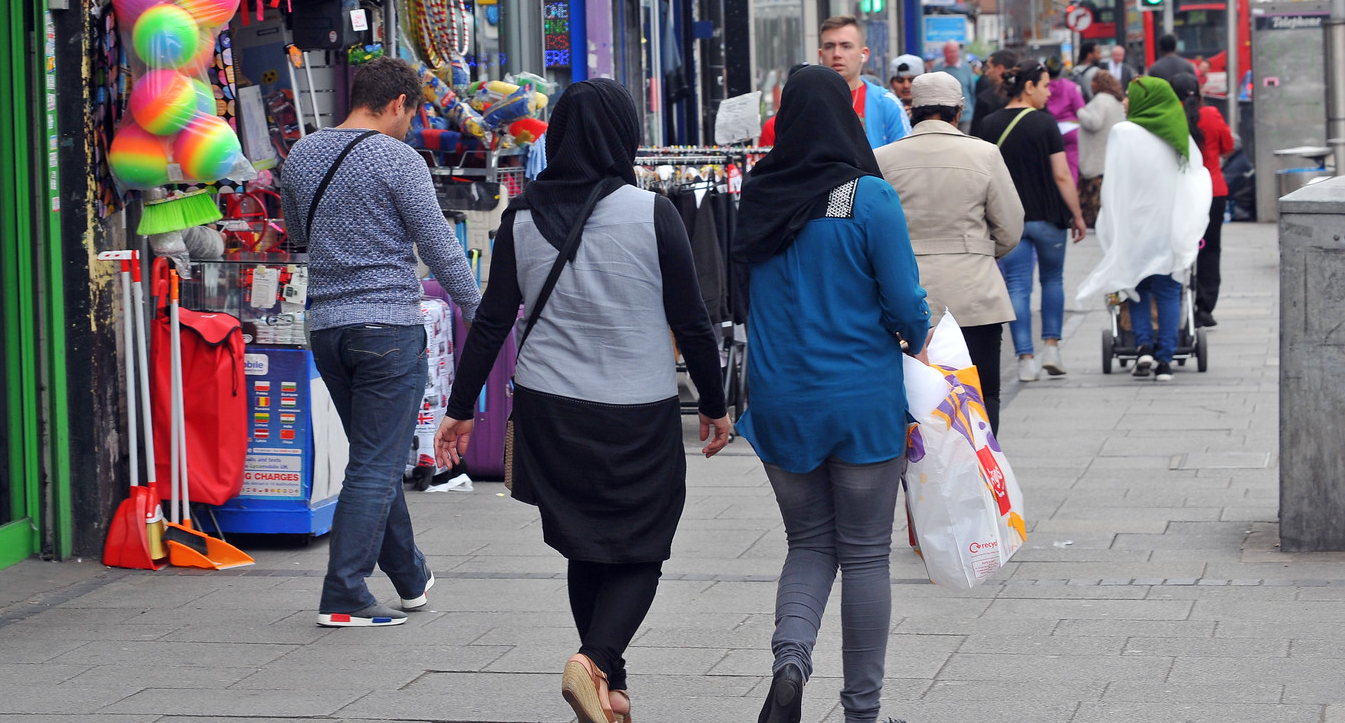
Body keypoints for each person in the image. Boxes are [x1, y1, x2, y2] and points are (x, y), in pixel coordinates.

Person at [434, 79, 731, 723]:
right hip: (636, 411)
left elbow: (491, 322)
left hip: (551, 411)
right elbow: (693, 319)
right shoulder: (652, 214)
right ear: (622, 136)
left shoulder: (520, 217)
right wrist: (714, 401)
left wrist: (460, 408)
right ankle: (594, 658)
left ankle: (610, 690)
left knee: (587, 543)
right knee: (644, 544)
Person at [732, 64, 930, 723]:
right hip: (861, 401)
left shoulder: (758, 195)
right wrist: (917, 329)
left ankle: (791, 658)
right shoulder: (866, 197)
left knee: (810, 543)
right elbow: (905, 303)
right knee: (866, 552)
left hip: (782, 401)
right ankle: (862, 712)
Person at [279, 57, 481, 627]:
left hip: (327, 330)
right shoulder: (399, 158)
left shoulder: (302, 153)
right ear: (397, 104)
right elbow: (439, 245)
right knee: (376, 465)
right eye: (410, 115)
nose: (409, 127)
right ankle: (344, 593)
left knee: (373, 456)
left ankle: (411, 578)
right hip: (388, 329)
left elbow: (298, 236)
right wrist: (478, 312)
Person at [876, 72, 1023, 434]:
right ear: (959, 111)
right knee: (982, 389)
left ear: (913, 110)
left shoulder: (882, 158)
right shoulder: (985, 154)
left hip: (907, 295)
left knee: (914, 393)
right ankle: (982, 467)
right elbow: (1010, 226)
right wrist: (979, 252)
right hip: (975, 293)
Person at [1077, 77, 1212, 381]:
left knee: (1135, 288)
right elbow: (1195, 181)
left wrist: (1109, 222)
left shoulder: (1124, 133)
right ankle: (1165, 360)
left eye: (1128, 96)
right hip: (1168, 227)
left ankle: (1143, 348)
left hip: (1135, 227)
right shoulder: (1179, 135)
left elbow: (1112, 184)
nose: (1124, 101)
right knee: (1168, 291)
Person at [972, 60, 1087, 383]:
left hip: (1010, 221)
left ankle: (1025, 358)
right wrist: (1077, 214)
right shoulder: (1046, 123)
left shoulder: (990, 125)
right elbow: (1062, 174)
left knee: (1017, 287)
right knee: (1052, 280)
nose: (1050, 93)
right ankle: (1052, 348)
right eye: (1046, 86)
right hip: (1049, 217)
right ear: (1029, 86)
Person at [1172, 74, 1236, 327]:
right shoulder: (1211, 114)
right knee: (1210, 250)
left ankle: (1177, 304)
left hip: (1182, 193)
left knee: (1179, 248)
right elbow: (1228, 145)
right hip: (1213, 192)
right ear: (1198, 93)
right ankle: (1205, 309)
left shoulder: (1170, 117)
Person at [817, 14, 910, 149]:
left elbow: (904, 160)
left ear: (864, 54)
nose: (837, 54)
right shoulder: (806, 103)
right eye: (829, 46)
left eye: (846, 46)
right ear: (821, 55)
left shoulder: (887, 104)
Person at [1076, 70, 1127, 228]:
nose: (1091, 85)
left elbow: (1094, 122)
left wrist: (1080, 111)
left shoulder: (1100, 100)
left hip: (1095, 156)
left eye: (1094, 81)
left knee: (1094, 196)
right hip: (1109, 154)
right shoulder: (1116, 101)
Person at [1045, 58, 1085, 186]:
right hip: (1071, 130)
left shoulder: (1042, 88)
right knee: (1072, 166)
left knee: (1051, 166)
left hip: (1050, 130)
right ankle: (1071, 192)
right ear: (1061, 69)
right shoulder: (1071, 87)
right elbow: (1080, 109)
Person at [974, 49, 1018, 131]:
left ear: (1000, 69)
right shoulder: (1023, 95)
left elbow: (976, 133)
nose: (986, 72)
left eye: (988, 67)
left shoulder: (985, 99)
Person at [937, 40, 977, 129]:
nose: (952, 54)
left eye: (954, 51)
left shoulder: (966, 68)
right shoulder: (937, 68)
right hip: (944, 117)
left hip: (965, 115)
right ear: (944, 53)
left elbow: (972, 91)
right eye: (950, 51)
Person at [888, 53, 923, 119]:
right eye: (900, 80)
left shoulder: (932, 109)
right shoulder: (887, 110)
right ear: (892, 84)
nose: (906, 86)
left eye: (911, 80)